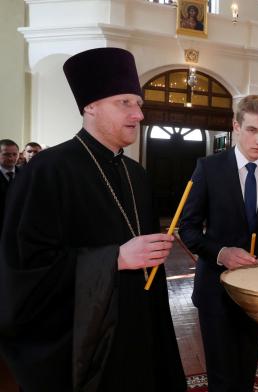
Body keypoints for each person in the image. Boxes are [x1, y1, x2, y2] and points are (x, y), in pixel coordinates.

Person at [0, 48, 186, 391]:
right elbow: (25, 271)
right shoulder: (46, 172)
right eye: (125, 103)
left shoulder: (138, 175)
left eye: (139, 103)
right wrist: (115, 258)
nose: (139, 114)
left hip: (140, 331)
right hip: (86, 344)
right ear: (90, 106)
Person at [179, 95, 258, 391]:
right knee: (222, 378)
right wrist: (221, 253)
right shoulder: (208, 168)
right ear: (236, 127)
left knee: (246, 371)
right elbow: (186, 228)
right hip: (216, 291)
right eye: (252, 130)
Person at [0, 139, 20, 234]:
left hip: (19, 227)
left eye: (14, 154)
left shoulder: (25, 174)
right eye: (6, 154)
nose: (11, 158)